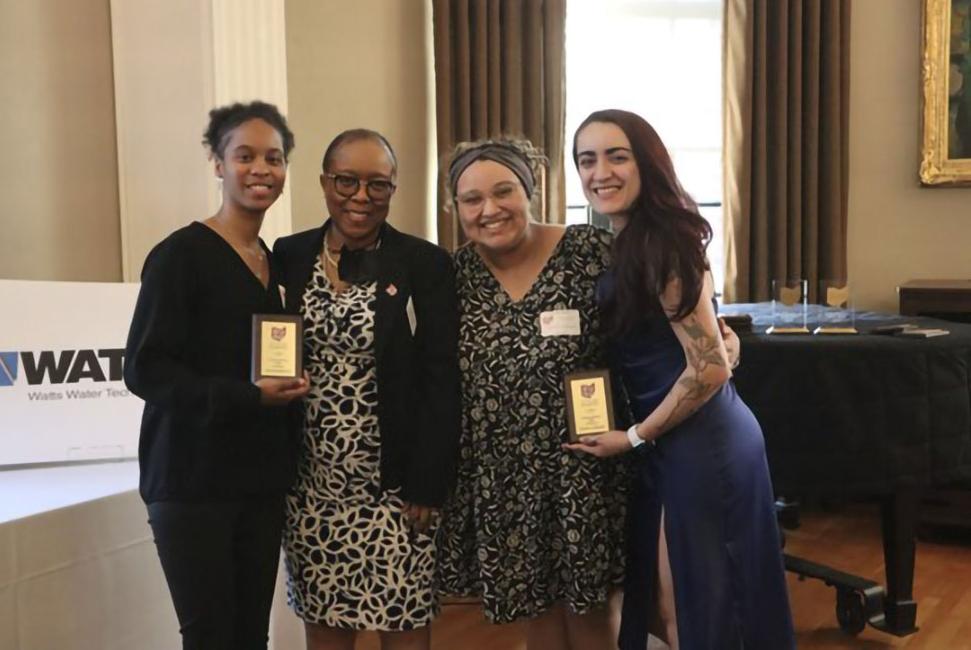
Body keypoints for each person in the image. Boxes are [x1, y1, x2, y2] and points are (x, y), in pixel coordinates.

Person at [567, 109, 795, 650]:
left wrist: (636, 436)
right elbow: (713, 348)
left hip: (701, 444)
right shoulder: (634, 240)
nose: (601, 172)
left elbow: (709, 367)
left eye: (616, 156)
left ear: (647, 163)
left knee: (699, 606)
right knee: (676, 604)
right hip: (674, 440)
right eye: (587, 160)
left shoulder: (666, 242)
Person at [124, 101, 310, 650]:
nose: (261, 170)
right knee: (210, 638)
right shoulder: (180, 255)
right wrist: (245, 397)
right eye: (245, 156)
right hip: (191, 482)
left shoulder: (273, 262)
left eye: (273, 158)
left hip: (259, 482)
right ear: (217, 163)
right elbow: (144, 368)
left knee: (251, 635)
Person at [435, 138, 629, 650]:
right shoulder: (453, 277)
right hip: (504, 479)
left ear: (532, 190)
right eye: (472, 200)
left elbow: (658, 322)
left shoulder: (590, 251)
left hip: (582, 470)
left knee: (591, 618)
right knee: (537, 618)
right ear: (455, 209)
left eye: (504, 192)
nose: (490, 209)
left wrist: (720, 337)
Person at [273, 129, 461, 650]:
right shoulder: (289, 256)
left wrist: (427, 482)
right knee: (327, 631)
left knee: (402, 629)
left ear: (394, 189)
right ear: (324, 183)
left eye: (378, 185)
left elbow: (440, 377)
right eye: (347, 181)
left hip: (396, 490)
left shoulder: (423, 263)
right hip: (311, 489)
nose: (361, 197)